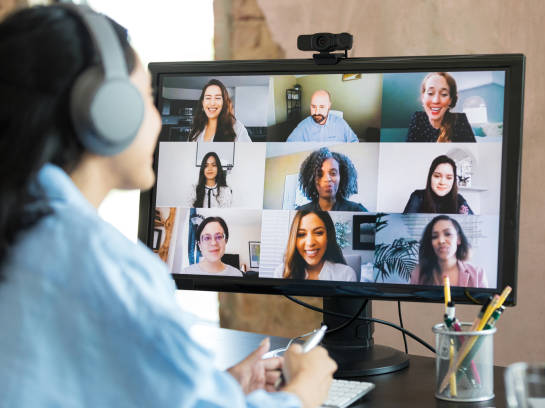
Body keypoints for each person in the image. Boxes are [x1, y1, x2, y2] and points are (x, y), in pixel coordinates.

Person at [0, 6, 335, 408]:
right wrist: (304, 392)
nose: (157, 120)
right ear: (107, 113)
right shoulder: (105, 268)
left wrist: (219, 389)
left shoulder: (22, 228)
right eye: (146, 98)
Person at [274, 211, 357, 281]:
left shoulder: (346, 275)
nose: (310, 243)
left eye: (318, 233)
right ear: (294, 239)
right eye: (301, 234)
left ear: (328, 236)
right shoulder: (281, 272)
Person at [410, 215, 488, 288]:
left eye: (447, 234)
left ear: (458, 239)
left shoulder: (478, 274)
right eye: (434, 236)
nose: (441, 241)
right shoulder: (418, 273)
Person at [406, 72, 476, 143]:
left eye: (444, 94)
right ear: (423, 97)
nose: (436, 100)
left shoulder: (460, 120)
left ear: (450, 100)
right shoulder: (418, 118)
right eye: (430, 93)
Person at [296, 147, 367, 212]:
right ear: (311, 180)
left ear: (341, 176)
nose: (327, 179)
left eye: (333, 173)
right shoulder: (300, 212)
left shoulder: (357, 210)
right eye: (320, 174)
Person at [403, 155, 474, 214]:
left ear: (454, 180)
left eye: (449, 178)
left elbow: (474, 225)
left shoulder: (459, 199)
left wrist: (464, 218)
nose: (442, 182)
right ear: (430, 177)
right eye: (437, 176)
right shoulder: (418, 196)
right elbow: (405, 226)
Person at [187, 78, 252, 142]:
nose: (212, 103)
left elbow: (249, 152)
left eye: (217, 98)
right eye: (208, 98)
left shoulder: (237, 128)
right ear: (202, 102)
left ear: (224, 103)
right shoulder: (196, 128)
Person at [286, 89, 358, 142]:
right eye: (313, 107)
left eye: (321, 107)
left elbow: (354, 142)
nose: (316, 112)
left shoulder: (341, 123)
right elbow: (289, 145)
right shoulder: (303, 126)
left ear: (329, 106)